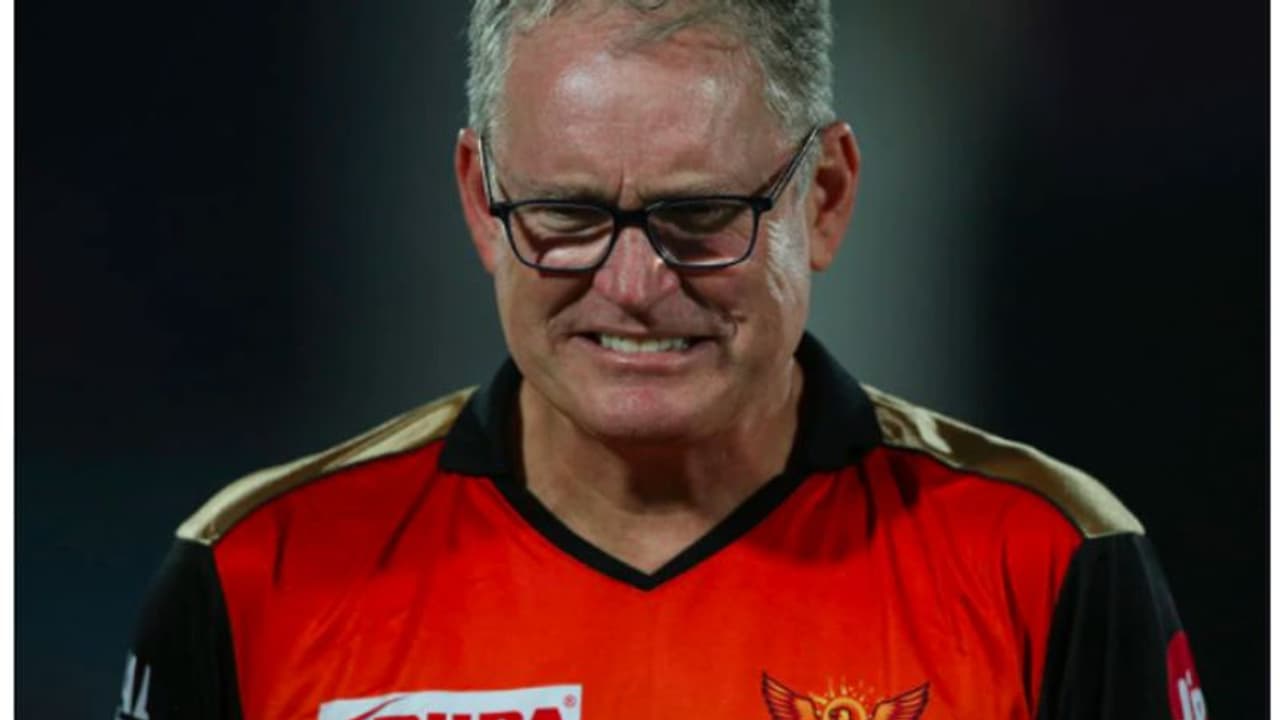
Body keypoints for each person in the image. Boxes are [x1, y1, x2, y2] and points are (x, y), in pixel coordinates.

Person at [117, 2, 1208, 719]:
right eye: (565, 213)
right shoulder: (254, 577)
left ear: (824, 198)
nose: (633, 283)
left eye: (699, 216)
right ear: (480, 204)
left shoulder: (1045, 564)